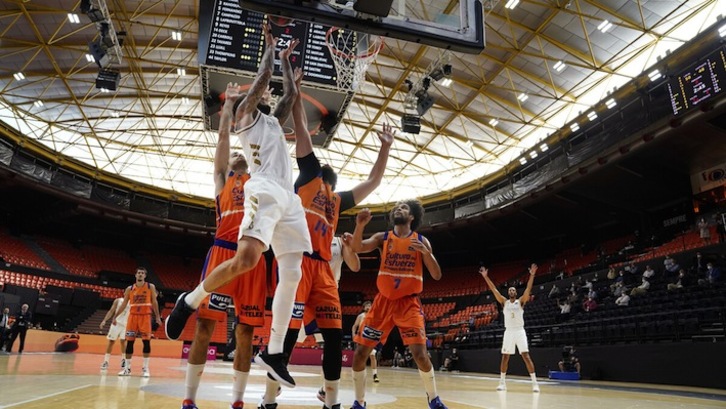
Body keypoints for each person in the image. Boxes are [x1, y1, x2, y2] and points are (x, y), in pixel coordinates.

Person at [165, 25, 312, 389]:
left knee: (293, 271)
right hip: (263, 189)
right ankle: (191, 298)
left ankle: (275, 351)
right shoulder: (245, 116)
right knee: (247, 260)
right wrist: (272, 52)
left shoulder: (272, 122)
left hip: (288, 198)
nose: (264, 95)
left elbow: (290, 97)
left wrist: (288, 68)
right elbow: (262, 79)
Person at [259, 64, 393, 409]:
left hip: (322, 271)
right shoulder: (307, 178)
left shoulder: (335, 200)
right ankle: (269, 400)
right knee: (291, 335)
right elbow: (302, 130)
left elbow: (374, 183)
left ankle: (329, 402)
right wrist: (384, 148)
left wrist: (385, 148)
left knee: (333, 338)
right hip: (298, 260)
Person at [179, 88, 268, 409]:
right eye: (233, 155)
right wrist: (228, 107)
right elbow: (222, 144)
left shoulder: (261, 177)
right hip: (223, 252)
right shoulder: (223, 181)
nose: (236, 155)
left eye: (240, 152)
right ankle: (189, 398)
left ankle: (238, 402)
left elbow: (264, 144)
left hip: (254, 256)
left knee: (246, 333)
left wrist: (262, 108)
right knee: (204, 325)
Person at [349, 202, 448, 409]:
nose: (397, 209)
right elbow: (357, 247)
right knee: (360, 354)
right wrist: (360, 225)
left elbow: (437, 275)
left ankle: (434, 399)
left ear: (412, 216)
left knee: (420, 355)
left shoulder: (421, 241)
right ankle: (359, 402)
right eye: (395, 207)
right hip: (382, 303)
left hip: (408, 304)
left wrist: (426, 253)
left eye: (402, 207)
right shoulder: (382, 238)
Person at [480, 264, 540, 393]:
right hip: (509, 331)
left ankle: (535, 383)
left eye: (513, 290)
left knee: (526, 356)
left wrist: (532, 275)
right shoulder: (504, 302)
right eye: (510, 290)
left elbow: (528, 289)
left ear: (516, 292)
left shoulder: (521, 302)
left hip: (519, 331)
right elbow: (494, 289)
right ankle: (502, 383)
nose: (512, 291)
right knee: (505, 357)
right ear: (508, 293)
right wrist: (486, 277)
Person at [113, 267, 162, 377]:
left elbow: (155, 302)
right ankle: (127, 368)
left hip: (145, 317)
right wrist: (115, 316)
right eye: (138, 273)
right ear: (135, 275)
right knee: (130, 342)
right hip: (133, 317)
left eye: (142, 273)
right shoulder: (129, 289)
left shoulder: (150, 287)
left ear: (145, 276)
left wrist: (158, 316)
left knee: (146, 342)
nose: (140, 275)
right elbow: (124, 304)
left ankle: (145, 368)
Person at [351, 301, 379, 382]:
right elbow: (354, 326)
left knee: (373, 356)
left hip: (370, 338)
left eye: (369, 305)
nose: (368, 307)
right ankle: (360, 375)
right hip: (361, 338)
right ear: (364, 308)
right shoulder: (361, 316)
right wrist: (353, 335)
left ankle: (375, 374)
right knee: (361, 357)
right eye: (366, 306)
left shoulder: (374, 316)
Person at [99, 297, 129, 371]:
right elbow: (111, 311)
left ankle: (124, 360)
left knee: (123, 341)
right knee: (111, 342)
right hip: (116, 324)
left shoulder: (133, 302)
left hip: (126, 325)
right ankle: (106, 361)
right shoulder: (118, 300)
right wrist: (104, 320)